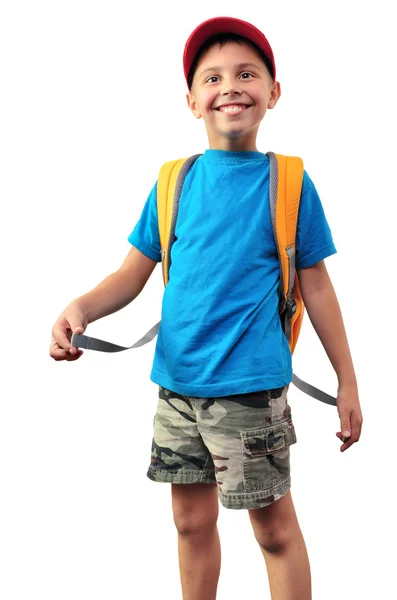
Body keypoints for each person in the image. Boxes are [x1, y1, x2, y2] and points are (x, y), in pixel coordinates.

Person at [50, 16, 363, 600]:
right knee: (190, 523)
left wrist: (348, 382)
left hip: (250, 390)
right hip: (176, 387)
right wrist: (81, 308)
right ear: (192, 101)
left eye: (247, 73)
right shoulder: (174, 181)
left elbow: (317, 288)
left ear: (274, 92)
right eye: (212, 77)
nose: (230, 86)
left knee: (272, 532)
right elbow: (131, 273)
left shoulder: (288, 182)